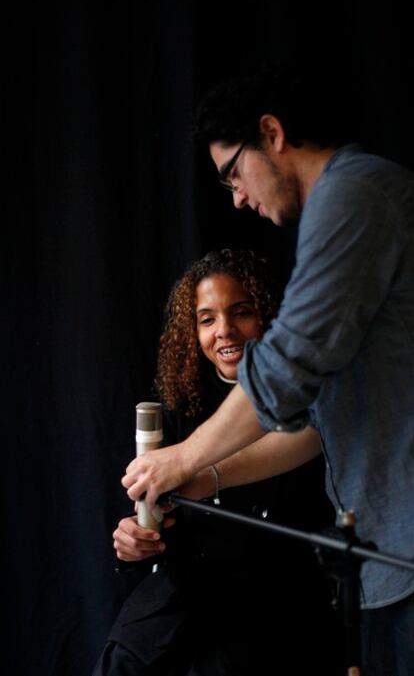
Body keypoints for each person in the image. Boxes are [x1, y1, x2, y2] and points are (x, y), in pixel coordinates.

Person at [121, 65, 414, 676]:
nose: (237, 198)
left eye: (233, 172)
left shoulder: (355, 194)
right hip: (386, 558)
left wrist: (182, 458)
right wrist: (209, 477)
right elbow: (313, 424)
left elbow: (285, 372)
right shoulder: (342, 205)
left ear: (272, 133)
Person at [93, 248, 343, 676]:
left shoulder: (309, 403)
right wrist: (133, 540)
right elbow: (154, 513)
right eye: (207, 319)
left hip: (271, 593)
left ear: (269, 316)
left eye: (241, 312)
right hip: (185, 587)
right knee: (121, 662)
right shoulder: (177, 404)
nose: (225, 331)